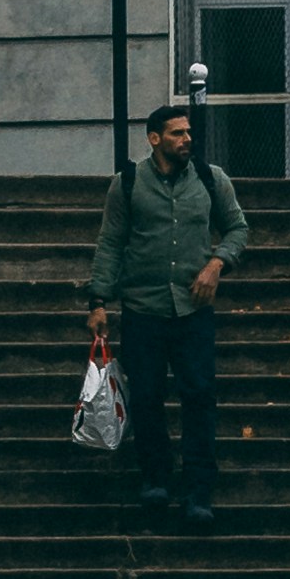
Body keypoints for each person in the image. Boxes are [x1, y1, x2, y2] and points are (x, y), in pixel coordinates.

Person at [84, 92, 249, 530]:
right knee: (148, 397)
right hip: (144, 309)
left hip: (193, 311)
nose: (187, 139)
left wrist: (217, 263)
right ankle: (155, 478)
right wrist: (98, 300)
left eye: (189, 132)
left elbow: (238, 228)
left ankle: (198, 490)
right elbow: (111, 242)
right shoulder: (128, 183)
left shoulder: (212, 180)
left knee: (198, 397)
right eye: (177, 133)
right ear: (154, 139)